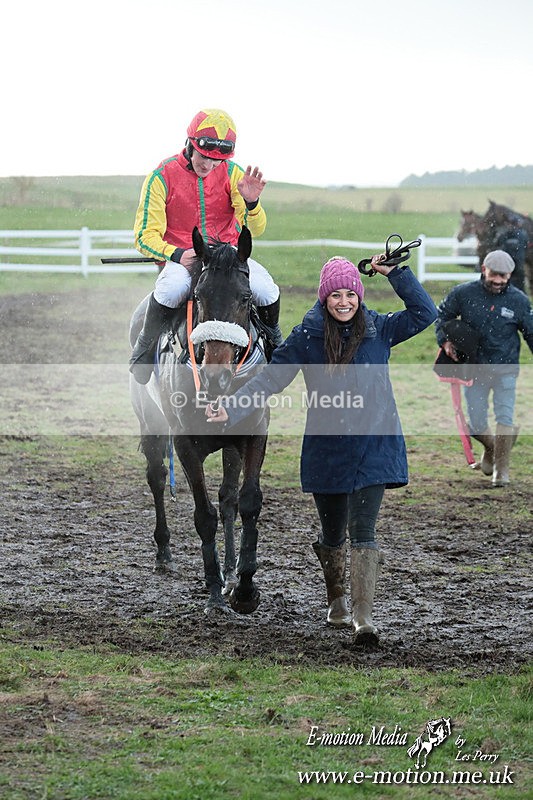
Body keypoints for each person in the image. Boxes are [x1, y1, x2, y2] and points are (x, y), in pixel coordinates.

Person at [205, 253, 438, 645]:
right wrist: (230, 407)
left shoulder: (380, 328)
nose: (344, 301)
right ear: (324, 298)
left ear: (359, 296)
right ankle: (337, 601)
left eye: (351, 294)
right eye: (336, 295)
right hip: (328, 449)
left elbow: (425, 312)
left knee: (363, 530)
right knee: (333, 535)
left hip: (374, 446)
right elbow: (269, 382)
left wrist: (396, 274)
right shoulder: (307, 336)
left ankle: (364, 619)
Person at [130, 108, 282, 384]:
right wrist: (175, 253)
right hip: (182, 260)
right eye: (204, 157)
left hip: (229, 259)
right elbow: (144, 236)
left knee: (267, 290)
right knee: (169, 289)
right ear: (190, 144)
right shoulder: (160, 176)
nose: (209, 166)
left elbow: (256, 228)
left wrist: (252, 203)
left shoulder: (235, 175)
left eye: (217, 161)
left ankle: (274, 345)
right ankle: (144, 350)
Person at [436, 250, 533, 486]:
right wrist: (445, 340)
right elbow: (441, 318)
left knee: (504, 414)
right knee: (476, 422)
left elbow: (531, 333)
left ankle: (502, 470)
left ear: (510, 274)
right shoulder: (463, 293)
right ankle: (493, 447)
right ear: (483, 270)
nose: (498, 281)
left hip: (506, 369)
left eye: (504, 276)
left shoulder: (519, 301)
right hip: (474, 369)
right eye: (494, 275)